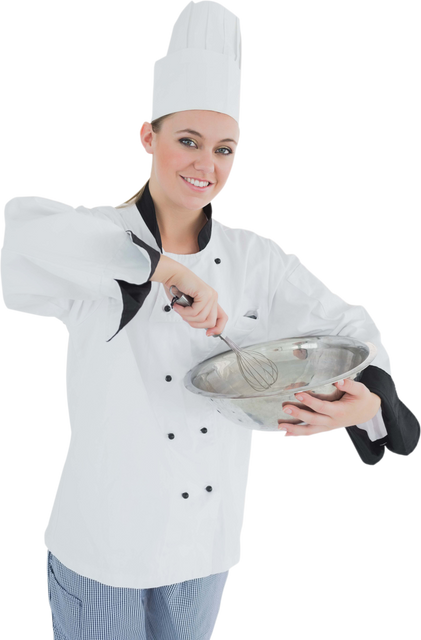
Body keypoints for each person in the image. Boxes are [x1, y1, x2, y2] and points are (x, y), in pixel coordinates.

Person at [0, 2, 419, 640]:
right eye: (187, 141)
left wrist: (363, 407)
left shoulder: (256, 256)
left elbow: (348, 323)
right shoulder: (96, 236)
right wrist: (168, 270)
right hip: (103, 544)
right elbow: (21, 231)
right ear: (148, 137)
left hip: (205, 547)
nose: (206, 166)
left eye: (224, 149)